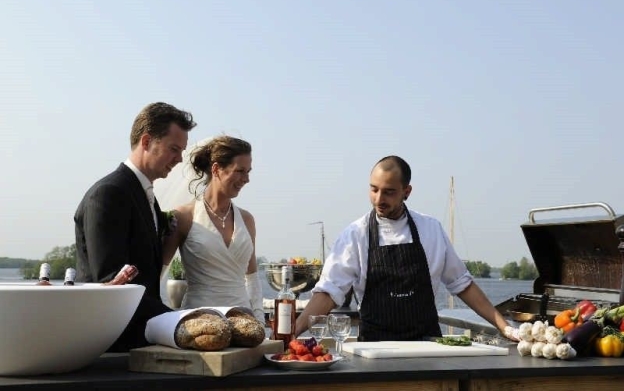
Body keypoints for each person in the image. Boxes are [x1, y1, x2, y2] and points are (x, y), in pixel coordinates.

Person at [295, 155, 518, 342]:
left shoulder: (431, 229)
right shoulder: (355, 235)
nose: (379, 199)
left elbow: (463, 284)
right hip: (374, 351)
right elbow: (328, 293)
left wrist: (504, 327)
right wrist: (290, 334)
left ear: (407, 191)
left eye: (389, 192)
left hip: (428, 348)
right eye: (374, 189)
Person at [74, 102, 197, 352]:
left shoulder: (145, 196)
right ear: (147, 141)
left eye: (182, 150)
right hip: (111, 343)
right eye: (174, 149)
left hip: (139, 339)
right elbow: (112, 283)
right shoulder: (109, 194)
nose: (179, 159)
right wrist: (181, 321)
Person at [162, 136, 264, 323]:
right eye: (240, 171)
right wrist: (164, 320)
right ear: (217, 169)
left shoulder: (247, 220)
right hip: (198, 322)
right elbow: (160, 274)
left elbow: (252, 278)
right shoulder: (183, 216)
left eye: (248, 172)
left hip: (243, 322)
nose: (246, 179)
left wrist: (260, 322)